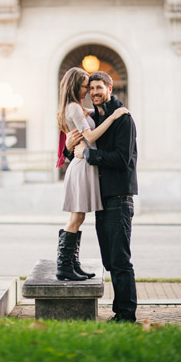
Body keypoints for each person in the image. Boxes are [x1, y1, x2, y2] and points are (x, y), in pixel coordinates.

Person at [65, 70, 139, 322]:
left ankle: (126, 314)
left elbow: (121, 159)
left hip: (118, 196)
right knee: (109, 258)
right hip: (101, 197)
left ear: (110, 88)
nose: (94, 92)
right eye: (91, 88)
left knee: (120, 259)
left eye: (99, 87)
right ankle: (120, 311)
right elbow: (83, 149)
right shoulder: (95, 116)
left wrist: (89, 155)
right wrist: (69, 149)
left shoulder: (123, 119)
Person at [54, 67, 129, 281]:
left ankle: (72, 264)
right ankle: (64, 266)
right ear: (75, 85)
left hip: (84, 165)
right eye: (86, 85)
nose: (88, 89)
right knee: (76, 217)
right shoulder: (74, 109)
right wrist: (114, 116)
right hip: (82, 167)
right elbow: (92, 135)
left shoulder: (77, 108)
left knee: (79, 217)